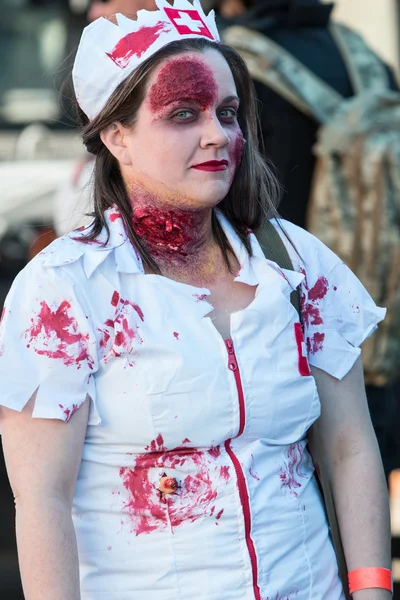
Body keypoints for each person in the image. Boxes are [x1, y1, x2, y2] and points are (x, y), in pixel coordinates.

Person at [0, 1, 392, 599]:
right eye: (184, 113)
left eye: (228, 112)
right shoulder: (62, 292)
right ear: (116, 136)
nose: (218, 134)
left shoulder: (297, 263)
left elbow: (350, 446)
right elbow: (42, 500)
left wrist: (371, 590)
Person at [216, 0, 400, 482]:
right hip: (379, 302)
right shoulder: (361, 56)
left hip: (290, 309)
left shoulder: (233, 63)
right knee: (363, 468)